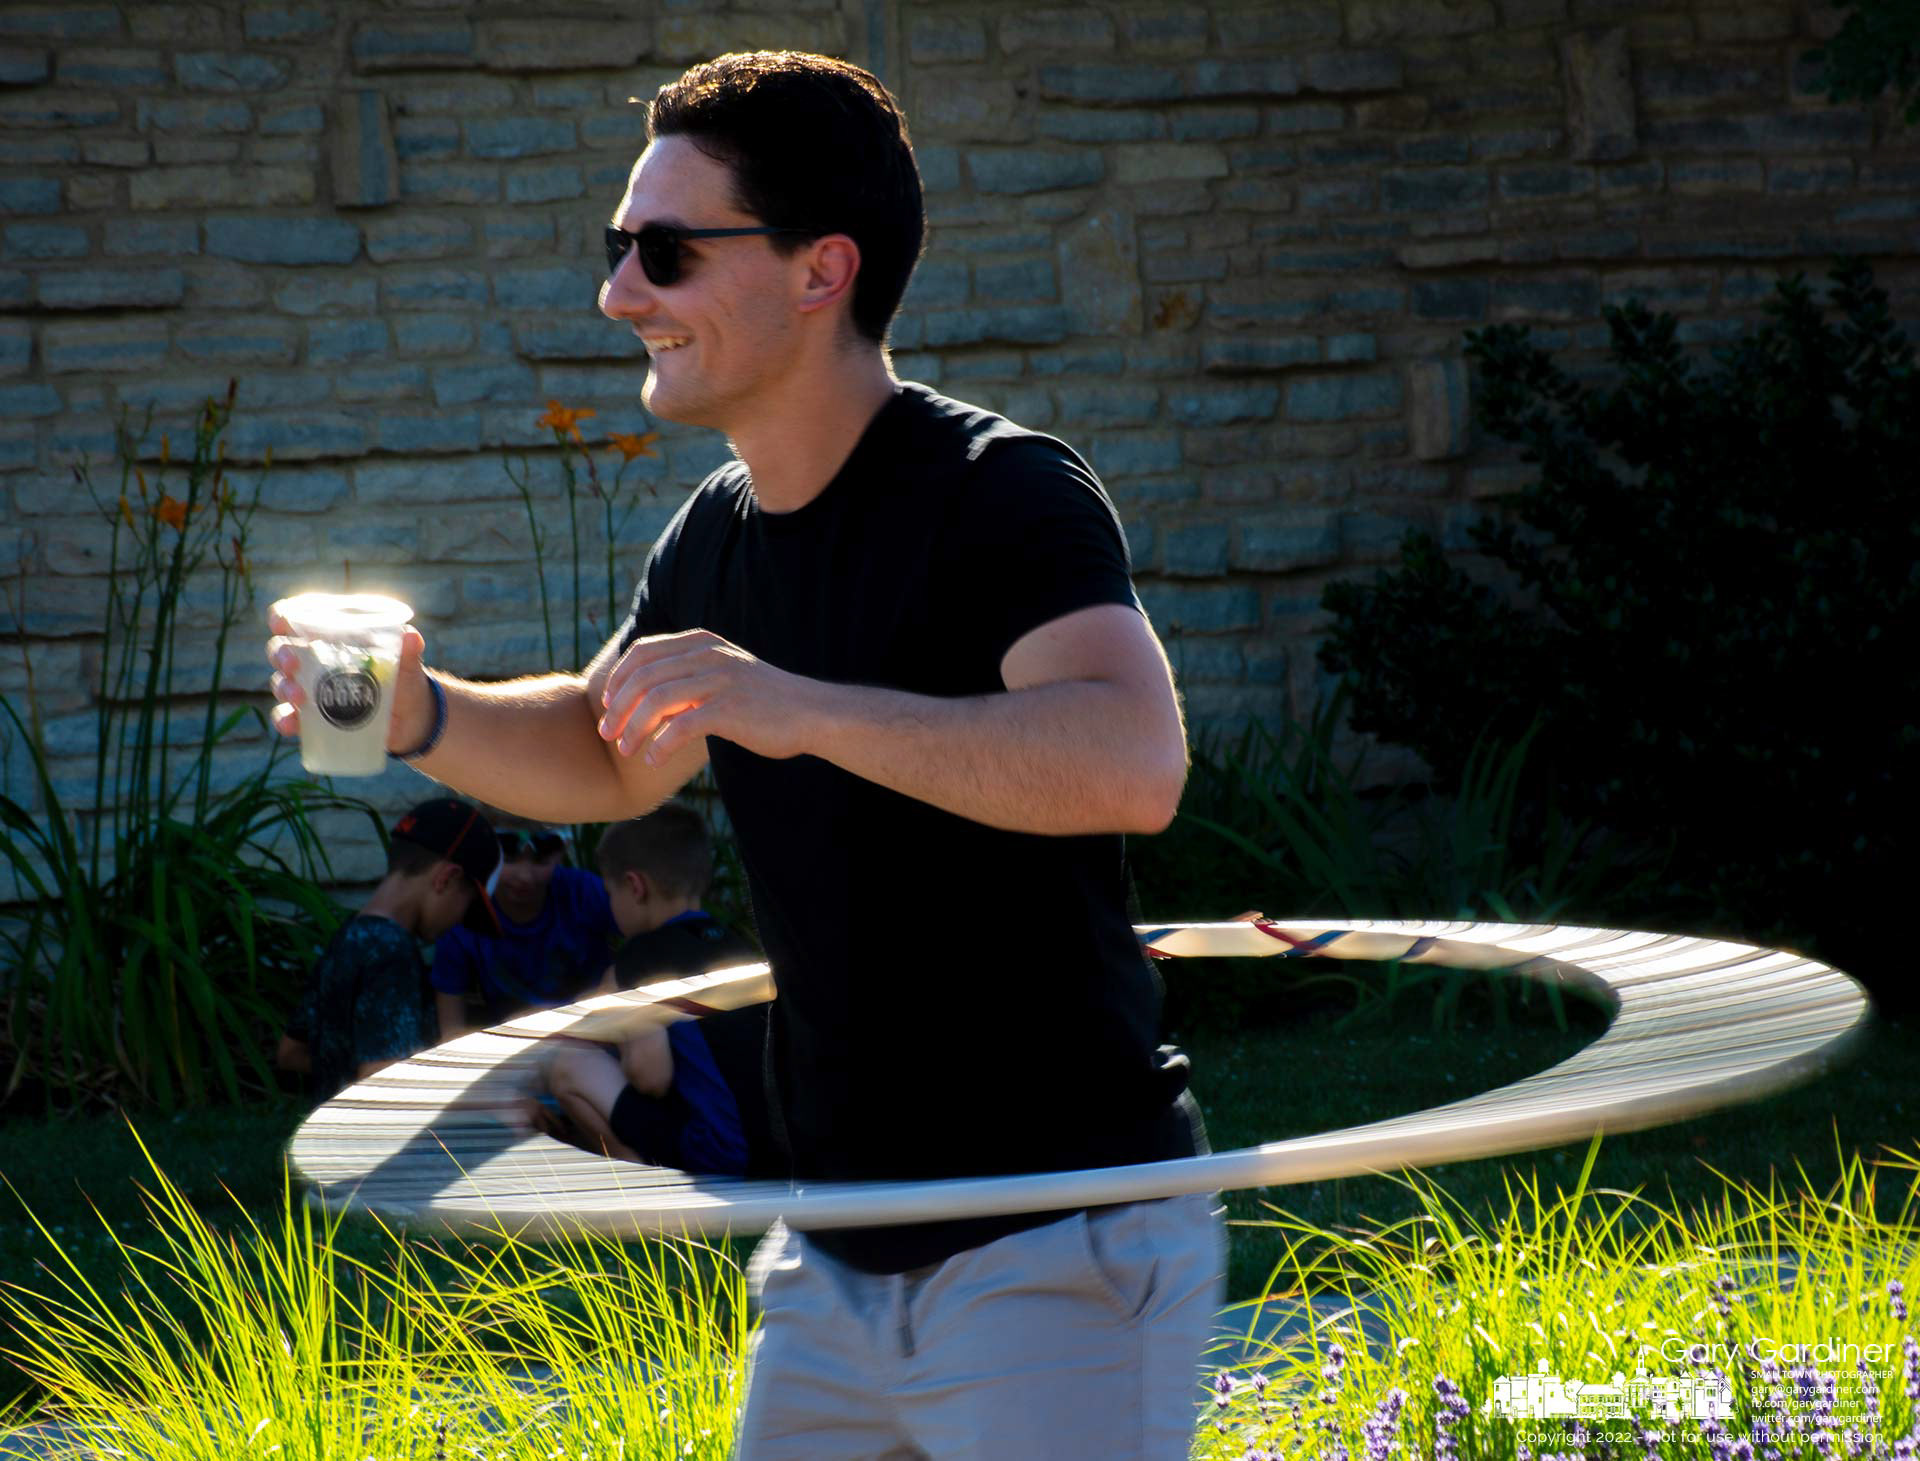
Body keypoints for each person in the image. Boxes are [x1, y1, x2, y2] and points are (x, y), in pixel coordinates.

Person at [268, 49, 1218, 1458]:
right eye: (616, 249)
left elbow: (1131, 758)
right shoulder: (716, 534)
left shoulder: (998, 491)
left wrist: (804, 706)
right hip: (831, 1246)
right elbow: (610, 758)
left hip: (1059, 1238)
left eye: (663, 251)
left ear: (820, 269)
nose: (617, 293)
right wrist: (422, 715)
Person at [543, 802, 771, 1174]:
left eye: (611, 892)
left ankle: (644, 1195)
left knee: (570, 1065)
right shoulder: (737, 945)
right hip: (773, 1156)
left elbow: (651, 1077)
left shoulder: (644, 956)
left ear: (635, 887)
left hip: (718, 1155)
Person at [277, 798, 503, 1102]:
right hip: (373, 1143)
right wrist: (492, 1100)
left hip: (332, 1135)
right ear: (446, 878)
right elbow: (382, 1076)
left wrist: (344, 1071)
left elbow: (291, 1053)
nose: (460, 921)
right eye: (469, 907)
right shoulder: (392, 952)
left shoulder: (350, 936)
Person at [430, 823, 620, 1039]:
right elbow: (451, 1028)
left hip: (594, 1033)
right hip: (516, 1047)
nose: (525, 876)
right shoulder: (465, 915)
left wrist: (617, 976)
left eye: (541, 859)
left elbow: (654, 939)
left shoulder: (583, 893)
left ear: (562, 850)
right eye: (509, 857)